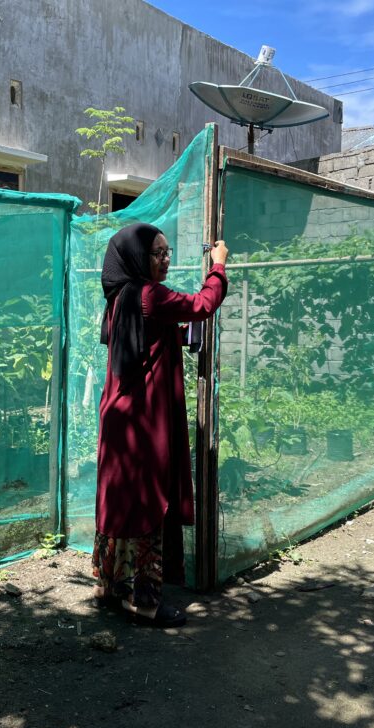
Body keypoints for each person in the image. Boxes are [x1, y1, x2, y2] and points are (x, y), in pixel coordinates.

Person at [92, 222, 228, 627]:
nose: (165, 259)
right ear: (136, 258)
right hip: (142, 419)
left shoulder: (121, 298)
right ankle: (145, 602)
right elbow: (203, 304)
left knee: (121, 498)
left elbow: (155, 338)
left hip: (119, 415)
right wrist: (218, 267)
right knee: (148, 500)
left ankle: (111, 586)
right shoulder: (148, 295)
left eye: (168, 251)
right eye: (157, 253)